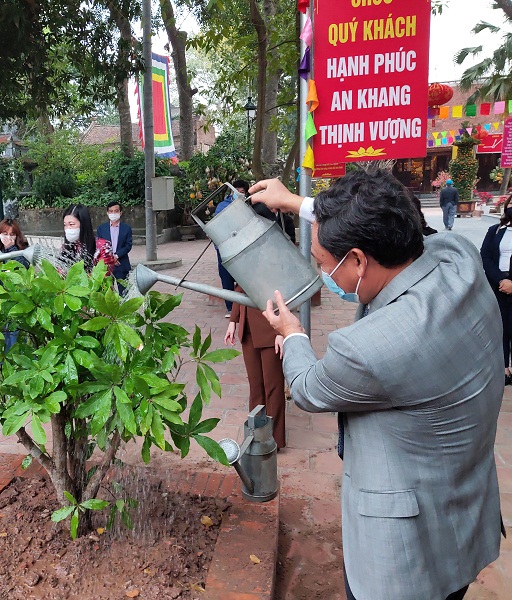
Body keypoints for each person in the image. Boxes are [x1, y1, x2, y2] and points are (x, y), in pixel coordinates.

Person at [250, 170, 503, 600]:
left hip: (403, 563)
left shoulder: (370, 348)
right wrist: (297, 202)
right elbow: (396, 224)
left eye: (322, 262)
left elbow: (309, 388)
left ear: (359, 261)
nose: (322, 271)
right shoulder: (456, 256)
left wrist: (292, 333)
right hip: (463, 520)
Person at [223, 206, 295, 449]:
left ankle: (275, 439)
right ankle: (256, 434)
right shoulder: (243, 247)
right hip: (248, 328)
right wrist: (233, 321)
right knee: (256, 386)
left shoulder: (278, 250)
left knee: (273, 387)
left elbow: (287, 293)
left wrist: (281, 331)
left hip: (270, 326)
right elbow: (239, 287)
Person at [480, 194, 512, 386]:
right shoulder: (495, 230)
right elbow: (485, 256)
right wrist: (501, 279)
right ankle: (504, 367)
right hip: (498, 284)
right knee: (500, 327)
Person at [0, 218, 30, 352]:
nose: (8, 237)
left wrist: (11, 249)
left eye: (12, 234)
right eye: (5, 234)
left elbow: (22, 268)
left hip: (19, 302)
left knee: (18, 341)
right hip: (0, 305)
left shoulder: (23, 250)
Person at [213, 180, 247, 317]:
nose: (239, 193)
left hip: (242, 247)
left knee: (242, 276)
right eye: (236, 190)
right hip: (224, 247)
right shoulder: (222, 206)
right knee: (226, 277)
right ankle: (230, 308)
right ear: (231, 191)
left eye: (242, 192)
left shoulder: (246, 205)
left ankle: (243, 306)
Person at [61, 203, 114, 274]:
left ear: (83, 224)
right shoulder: (66, 248)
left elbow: (103, 276)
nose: (68, 229)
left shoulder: (103, 247)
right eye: (65, 225)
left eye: (71, 224)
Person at [97, 200, 133, 292]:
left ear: (120, 213)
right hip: (106, 266)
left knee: (124, 293)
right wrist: (110, 258)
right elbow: (100, 246)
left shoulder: (127, 228)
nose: (113, 213)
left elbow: (128, 246)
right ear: (107, 213)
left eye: (116, 211)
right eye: (111, 211)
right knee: (108, 293)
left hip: (122, 265)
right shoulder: (101, 228)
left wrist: (116, 256)